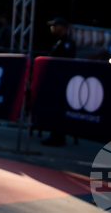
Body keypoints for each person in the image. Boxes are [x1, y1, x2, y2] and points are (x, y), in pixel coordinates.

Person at [41, 17, 75, 147]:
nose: (53, 27)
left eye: (55, 25)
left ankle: (58, 137)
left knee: (59, 109)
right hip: (57, 80)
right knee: (55, 109)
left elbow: (65, 63)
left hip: (62, 81)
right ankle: (55, 136)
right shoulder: (60, 41)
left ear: (62, 27)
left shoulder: (67, 42)